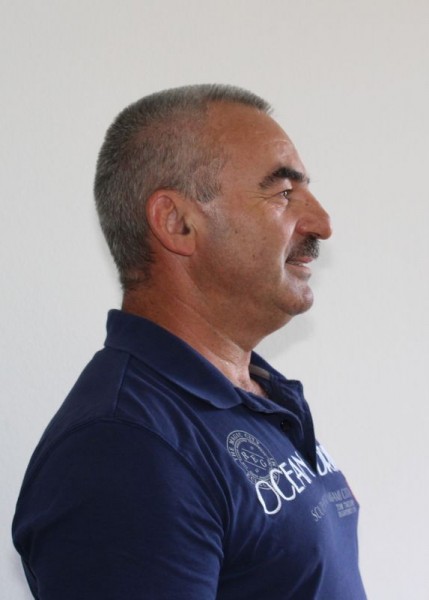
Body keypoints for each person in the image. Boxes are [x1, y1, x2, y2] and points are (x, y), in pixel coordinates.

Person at [12, 84, 366, 599]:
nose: (322, 224)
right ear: (176, 223)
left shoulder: (252, 397)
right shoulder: (124, 448)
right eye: (283, 193)